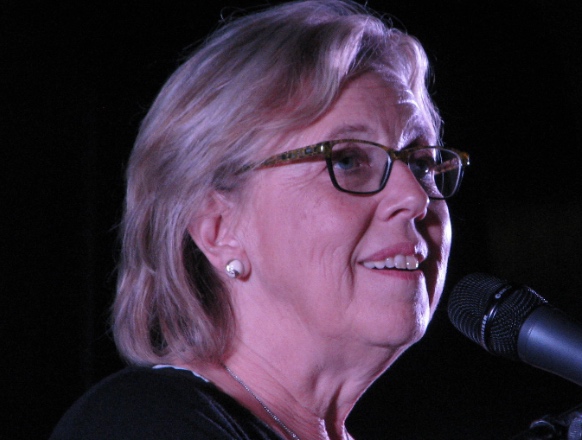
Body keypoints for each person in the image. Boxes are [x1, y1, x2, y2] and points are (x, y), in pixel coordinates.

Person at [50, 1, 469, 438]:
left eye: (421, 163)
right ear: (218, 228)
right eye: (347, 160)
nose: (416, 197)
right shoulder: (142, 423)